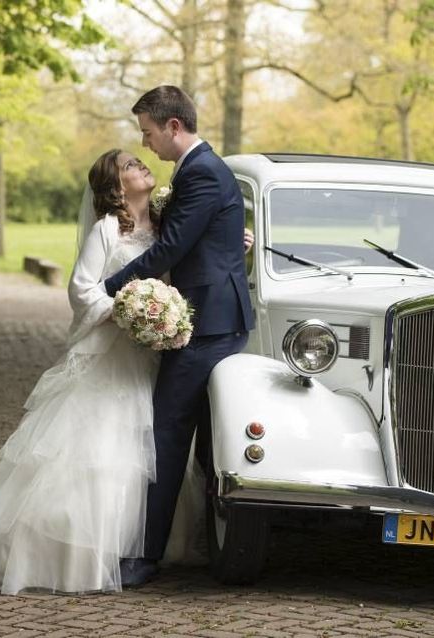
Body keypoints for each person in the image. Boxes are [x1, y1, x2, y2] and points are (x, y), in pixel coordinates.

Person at [0, 148, 175, 593]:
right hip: (109, 356)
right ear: (115, 185)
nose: (140, 164)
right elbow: (82, 291)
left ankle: (129, 547)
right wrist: (128, 308)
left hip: (147, 358)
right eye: (128, 165)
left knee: (140, 456)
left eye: (139, 160)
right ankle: (71, 557)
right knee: (99, 455)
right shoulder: (106, 230)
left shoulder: (164, 223)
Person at [102, 86, 254, 587]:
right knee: (204, 439)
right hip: (212, 317)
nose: (145, 144)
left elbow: (169, 248)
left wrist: (106, 289)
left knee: (167, 434)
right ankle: (211, 547)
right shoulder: (199, 170)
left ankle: (146, 558)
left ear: (172, 127)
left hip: (207, 323)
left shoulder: (204, 172)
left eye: (147, 132)